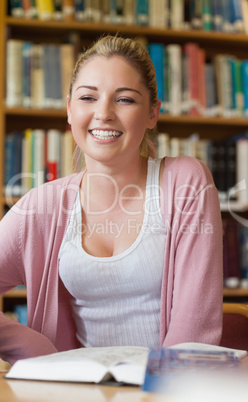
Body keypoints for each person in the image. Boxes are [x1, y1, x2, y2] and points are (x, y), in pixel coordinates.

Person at [0, 35, 223, 365]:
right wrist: (35, 351)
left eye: (125, 100)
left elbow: (192, 335)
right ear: (69, 110)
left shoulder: (185, 182)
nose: (103, 113)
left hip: (169, 390)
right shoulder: (43, 204)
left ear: (152, 113)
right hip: (77, 393)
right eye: (88, 97)